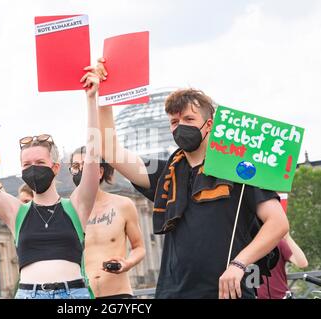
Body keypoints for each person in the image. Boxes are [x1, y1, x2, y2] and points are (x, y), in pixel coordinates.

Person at [95, 59, 289, 299]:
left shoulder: (241, 169)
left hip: (228, 291)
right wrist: (102, 96)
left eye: (188, 119)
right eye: (174, 122)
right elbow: (110, 150)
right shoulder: (166, 173)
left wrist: (239, 265)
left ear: (209, 125)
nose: (180, 127)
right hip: (173, 293)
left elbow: (278, 223)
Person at [0, 68, 101, 299]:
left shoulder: (76, 206)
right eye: (26, 164)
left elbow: (93, 156)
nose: (32, 168)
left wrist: (91, 99)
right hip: (29, 294)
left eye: (39, 162)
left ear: (55, 167)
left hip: (72, 294)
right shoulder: (16, 212)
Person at [70, 146, 145, 299]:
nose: (80, 171)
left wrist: (127, 263)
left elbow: (139, 247)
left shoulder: (123, 205)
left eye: (86, 165)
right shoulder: (66, 210)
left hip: (119, 294)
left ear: (100, 171)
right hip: (81, 296)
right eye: (75, 166)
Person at [257, 232, 308, 299]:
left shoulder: (278, 242)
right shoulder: (245, 242)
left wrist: (287, 237)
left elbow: (302, 263)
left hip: (280, 296)